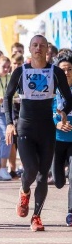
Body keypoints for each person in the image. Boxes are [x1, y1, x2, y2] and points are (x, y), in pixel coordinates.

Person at [4, 35, 72, 232]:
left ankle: (36, 216)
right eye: (35, 45)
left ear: (47, 49)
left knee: (43, 176)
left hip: (47, 129)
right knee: (31, 170)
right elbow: (7, 97)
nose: (38, 48)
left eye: (42, 45)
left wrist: (63, 113)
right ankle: (24, 191)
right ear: (29, 49)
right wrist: (9, 123)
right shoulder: (21, 72)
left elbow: (69, 98)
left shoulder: (56, 72)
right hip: (25, 128)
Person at [52, 54, 72, 226]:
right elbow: (45, 114)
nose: (66, 73)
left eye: (69, 69)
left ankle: (71, 212)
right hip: (57, 141)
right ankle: (60, 174)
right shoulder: (51, 91)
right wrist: (56, 124)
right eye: (63, 70)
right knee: (59, 182)